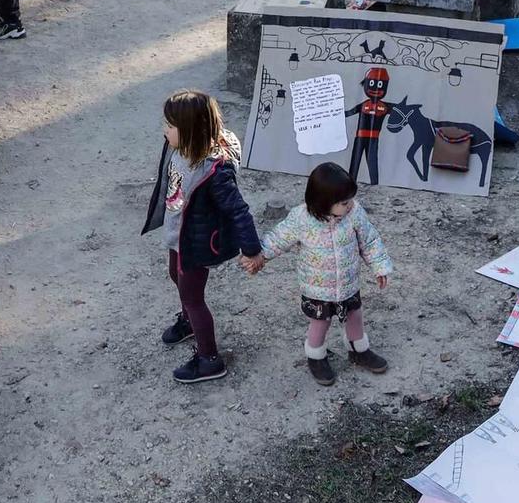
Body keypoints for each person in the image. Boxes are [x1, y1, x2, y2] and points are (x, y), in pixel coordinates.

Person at [146, 90, 260, 385]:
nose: (164, 130)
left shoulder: (213, 171)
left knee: (193, 297)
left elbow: (239, 211)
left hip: (194, 243)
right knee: (175, 275)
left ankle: (210, 359)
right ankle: (188, 322)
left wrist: (251, 249)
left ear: (190, 132)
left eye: (170, 125)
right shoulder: (180, 148)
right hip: (178, 236)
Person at [243, 161, 393, 384]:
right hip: (317, 288)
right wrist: (259, 256)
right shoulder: (302, 219)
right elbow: (278, 238)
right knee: (320, 322)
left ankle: (358, 349)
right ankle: (316, 355)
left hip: (348, 282)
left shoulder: (353, 214)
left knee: (355, 314)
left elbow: (369, 241)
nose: (350, 205)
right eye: (344, 202)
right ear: (323, 202)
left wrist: (380, 267)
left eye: (350, 199)